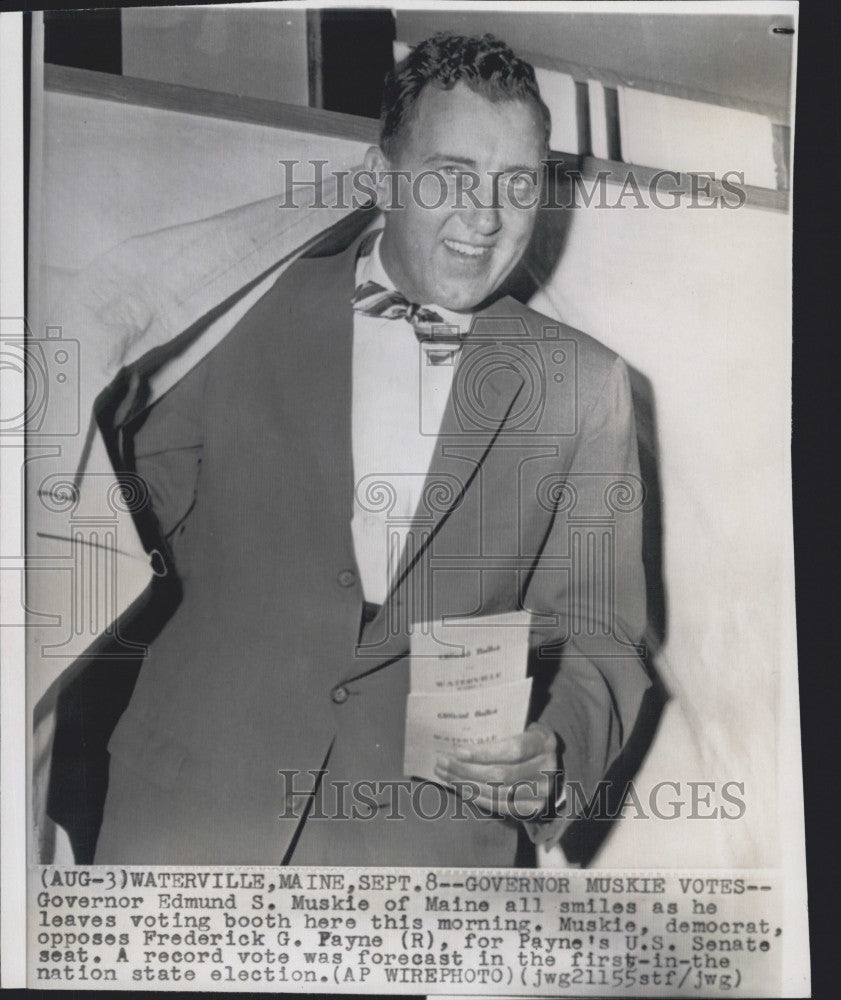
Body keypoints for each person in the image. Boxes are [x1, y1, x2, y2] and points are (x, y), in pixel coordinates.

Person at [87, 32, 651, 866]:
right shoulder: (228, 310)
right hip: (186, 821)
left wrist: (555, 754)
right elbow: (109, 527)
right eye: (451, 175)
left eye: (516, 184)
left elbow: (603, 629)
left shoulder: (584, 384)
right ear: (383, 173)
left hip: (428, 855)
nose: (484, 217)